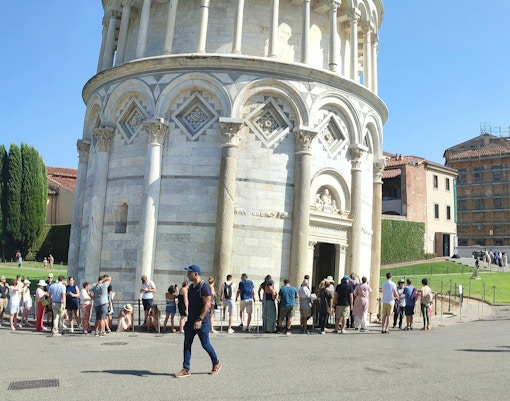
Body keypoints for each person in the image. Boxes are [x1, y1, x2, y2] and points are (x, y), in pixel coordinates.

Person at [175, 265, 221, 378]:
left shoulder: (204, 287)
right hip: (190, 321)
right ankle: (186, 369)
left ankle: (216, 363)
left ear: (196, 273)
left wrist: (199, 319)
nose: (187, 275)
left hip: (202, 322)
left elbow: (207, 305)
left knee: (205, 345)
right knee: (187, 344)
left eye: (189, 273)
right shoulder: (191, 287)